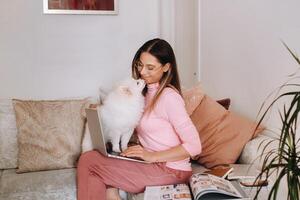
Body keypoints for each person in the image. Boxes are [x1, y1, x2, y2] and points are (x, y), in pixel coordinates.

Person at [77, 38, 202, 200]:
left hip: (172, 170)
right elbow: (122, 114)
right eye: (139, 65)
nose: (142, 72)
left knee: (88, 162)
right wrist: (101, 111)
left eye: (150, 67)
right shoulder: (143, 93)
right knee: (92, 160)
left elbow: (195, 146)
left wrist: (152, 156)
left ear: (166, 67)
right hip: (150, 164)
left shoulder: (170, 98)